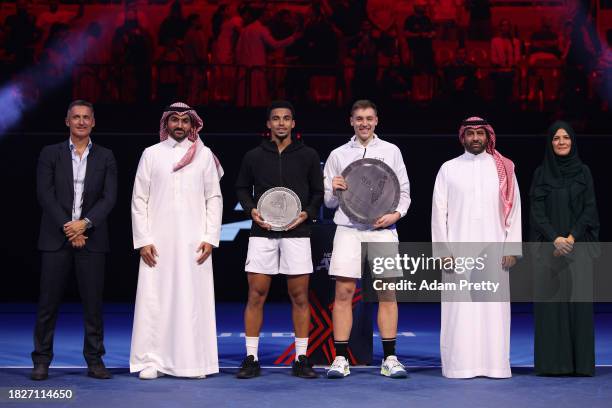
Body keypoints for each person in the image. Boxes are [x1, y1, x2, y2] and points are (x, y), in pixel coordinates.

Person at [130, 102, 223, 380]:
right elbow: (139, 199)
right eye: (174, 120)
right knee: (154, 299)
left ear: (193, 124)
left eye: (185, 120)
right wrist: (143, 239)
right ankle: (151, 361)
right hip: (157, 242)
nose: (179, 125)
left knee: (192, 299)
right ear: (166, 124)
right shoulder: (151, 154)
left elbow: (213, 198)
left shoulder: (204, 156)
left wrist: (210, 237)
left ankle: (194, 362)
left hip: (195, 242)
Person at [235, 100, 323, 379]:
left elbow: (318, 192)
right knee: (256, 295)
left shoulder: (308, 155)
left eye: (287, 118)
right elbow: (240, 187)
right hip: (262, 234)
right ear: (269, 124)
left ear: (293, 124)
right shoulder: (253, 156)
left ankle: (301, 358)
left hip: (297, 233)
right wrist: (252, 210)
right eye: (276, 119)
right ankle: (251, 358)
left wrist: (306, 214)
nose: (281, 123)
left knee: (299, 297)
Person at [324, 99, 411, 379]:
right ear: (351, 121)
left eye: (369, 118)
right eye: (359, 118)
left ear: (376, 121)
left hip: (382, 231)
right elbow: (327, 202)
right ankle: (340, 359)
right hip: (348, 230)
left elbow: (405, 192)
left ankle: (389, 358)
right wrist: (333, 189)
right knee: (344, 293)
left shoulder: (391, 151)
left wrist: (395, 215)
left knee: (387, 293)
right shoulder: (338, 154)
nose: (364, 123)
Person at [32, 100, 117, 381]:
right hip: (56, 238)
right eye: (76, 117)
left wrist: (85, 225)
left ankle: (94, 360)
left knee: (93, 305)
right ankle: (42, 360)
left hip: (92, 240)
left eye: (86, 117)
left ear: (93, 122)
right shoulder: (50, 153)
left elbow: (109, 198)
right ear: (67, 121)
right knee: (48, 304)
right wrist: (70, 228)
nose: (81, 121)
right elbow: (45, 194)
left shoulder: (106, 156)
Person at [431, 116, 521, 378]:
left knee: (494, 309)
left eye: (480, 133)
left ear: (488, 135)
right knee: (460, 311)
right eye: (470, 133)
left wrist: (512, 248)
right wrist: (443, 251)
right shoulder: (448, 168)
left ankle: (494, 365)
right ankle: (459, 365)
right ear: (463, 137)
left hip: (494, 252)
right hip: (457, 254)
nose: (475, 138)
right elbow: (439, 212)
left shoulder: (504, 168)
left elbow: (514, 210)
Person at [529, 121, 599, 376]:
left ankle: (580, 365)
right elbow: (536, 211)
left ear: (573, 141)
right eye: (556, 138)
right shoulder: (540, 174)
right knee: (551, 308)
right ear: (550, 143)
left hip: (577, 248)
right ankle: (552, 365)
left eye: (566, 137)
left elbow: (589, 209)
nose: (561, 142)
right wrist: (554, 239)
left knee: (578, 308)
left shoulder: (584, 172)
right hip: (549, 251)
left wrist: (571, 238)